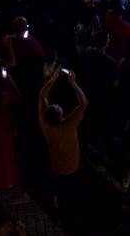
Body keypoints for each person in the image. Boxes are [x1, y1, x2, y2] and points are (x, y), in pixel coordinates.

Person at [39, 68, 87, 209]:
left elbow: (42, 96)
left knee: (57, 185)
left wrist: (52, 79)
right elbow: (84, 103)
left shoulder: (44, 123)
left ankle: (56, 201)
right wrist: (73, 83)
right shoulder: (70, 125)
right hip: (73, 165)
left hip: (56, 166)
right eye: (58, 108)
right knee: (72, 186)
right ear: (60, 118)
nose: (58, 105)